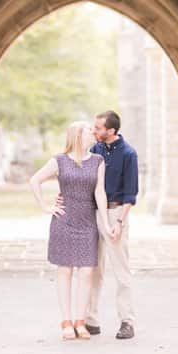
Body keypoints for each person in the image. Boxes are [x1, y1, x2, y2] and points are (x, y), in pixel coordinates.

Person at [30, 120, 112, 341]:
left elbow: (100, 193)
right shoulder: (59, 161)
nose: (94, 133)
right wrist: (46, 207)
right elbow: (35, 180)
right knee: (65, 270)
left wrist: (104, 222)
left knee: (87, 271)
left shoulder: (97, 161)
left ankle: (80, 321)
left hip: (87, 221)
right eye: (89, 131)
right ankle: (66, 321)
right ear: (77, 135)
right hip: (64, 221)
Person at [83, 110, 139, 340]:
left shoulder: (128, 154)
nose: (94, 131)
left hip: (116, 213)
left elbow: (131, 194)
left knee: (121, 270)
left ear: (111, 131)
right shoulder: (94, 151)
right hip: (93, 213)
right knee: (94, 270)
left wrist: (119, 221)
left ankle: (127, 321)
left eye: (98, 128)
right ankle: (91, 320)